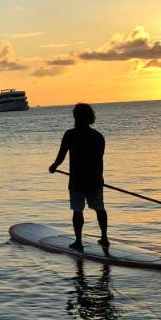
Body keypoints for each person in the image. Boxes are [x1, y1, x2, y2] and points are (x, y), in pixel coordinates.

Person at [48, 103, 108, 251]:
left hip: (77, 181)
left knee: (77, 210)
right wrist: (99, 178)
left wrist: (54, 166)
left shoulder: (70, 135)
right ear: (90, 118)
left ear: (75, 117)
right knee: (99, 208)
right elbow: (99, 159)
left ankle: (79, 241)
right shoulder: (98, 136)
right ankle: (104, 237)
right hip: (95, 180)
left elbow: (61, 156)